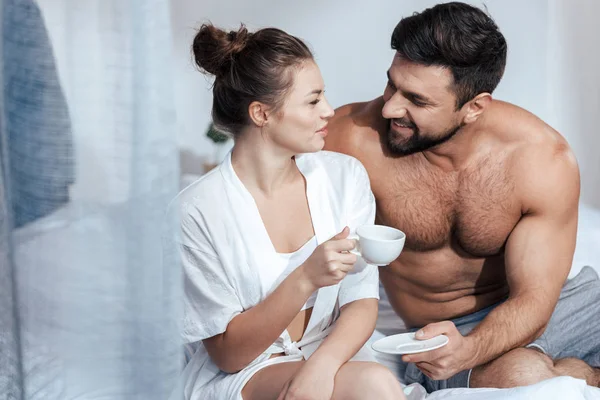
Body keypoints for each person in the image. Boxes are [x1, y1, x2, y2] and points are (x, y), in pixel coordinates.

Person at [324, 1, 600, 393]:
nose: (389, 108)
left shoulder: (540, 158)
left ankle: (580, 373)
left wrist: (472, 352)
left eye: (416, 101)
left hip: (565, 306)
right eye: (391, 84)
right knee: (526, 378)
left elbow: (536, 299)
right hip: (448, 331)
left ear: (474, 107)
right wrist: (465, 351)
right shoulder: (349, 138)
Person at [166, 24, 406, 400]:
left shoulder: (345, 177)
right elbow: (229, 354)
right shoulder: (196, 212)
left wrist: (321, 368)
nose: (329, 111)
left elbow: (360, 300)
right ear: (262, 113)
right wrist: (306, 278)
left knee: (377, 382)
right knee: (373, 386)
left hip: (333, 354)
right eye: (312, 101)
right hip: (249, 371)